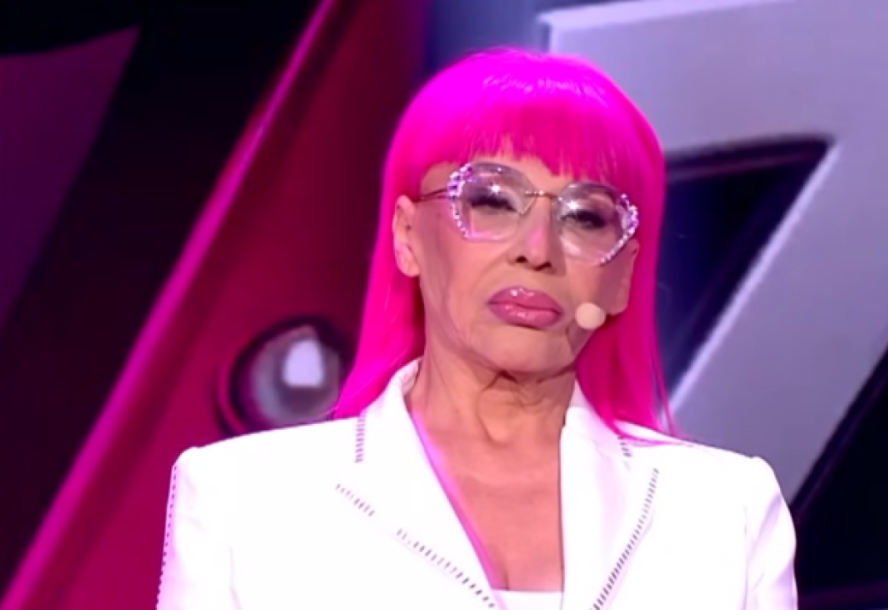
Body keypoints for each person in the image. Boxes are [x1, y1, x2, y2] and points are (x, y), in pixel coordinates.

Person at [156, 48, 798, 610]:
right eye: (492, 201)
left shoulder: (725, 509)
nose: (538, 250)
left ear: (622, 275)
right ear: (407, 237)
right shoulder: (244, 499)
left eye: (585, 218)